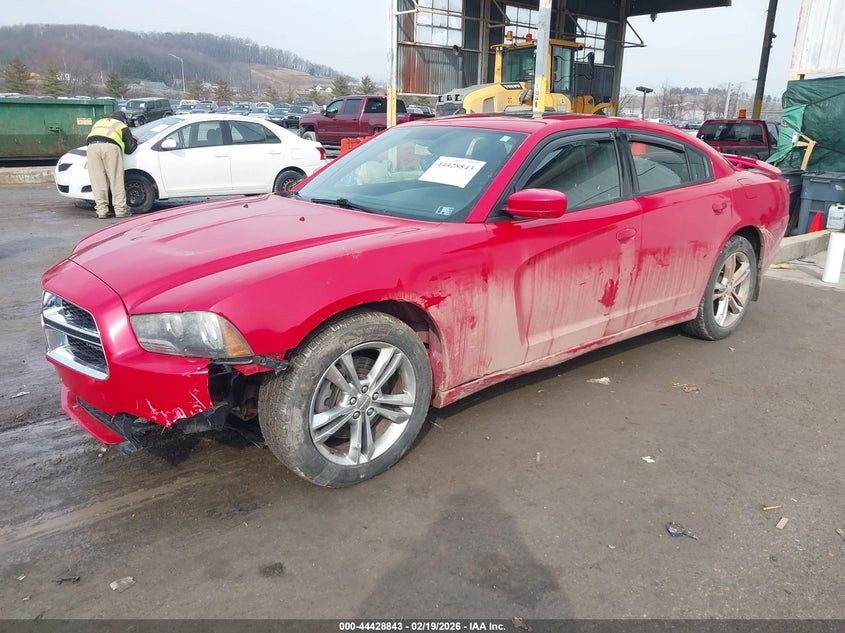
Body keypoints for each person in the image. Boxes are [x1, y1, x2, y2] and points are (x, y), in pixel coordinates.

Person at [86, 110, 137, 219]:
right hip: (110, 148)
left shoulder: (99, 122)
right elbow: (130, 149)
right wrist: (134, 140)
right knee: (116, 180)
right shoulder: (121, 125)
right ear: (123, 120)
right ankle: (120, 210)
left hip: (92, 148)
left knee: (98, 181)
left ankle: (101, 211)